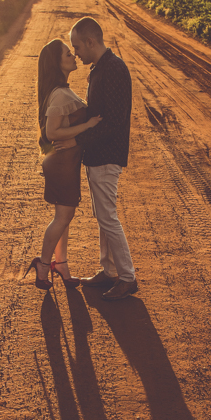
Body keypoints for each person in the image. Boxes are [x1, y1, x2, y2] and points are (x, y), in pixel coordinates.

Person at [61, 16, 137, 301]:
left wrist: (76, 139)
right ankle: (109, 270)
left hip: (107, 155)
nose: (76, 53)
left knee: (108, 218)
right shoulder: (100, 68)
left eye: (77, 47)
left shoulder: (114, 70)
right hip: (98, 156)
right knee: (102, 217)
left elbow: (113, 122)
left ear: (91, 42)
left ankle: (127, 277)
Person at [25, 39, 102, 290]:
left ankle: (62, 264)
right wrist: (87, 126)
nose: (74, 56)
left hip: (66, 163)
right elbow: (52, 133)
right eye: (69, 54)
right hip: (60, 163)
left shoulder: (62, 90)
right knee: (63, 216)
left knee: (63, 217)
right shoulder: (59, 94)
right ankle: (43, 265)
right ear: (57, 63)